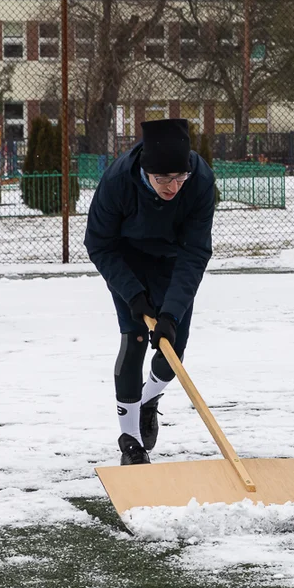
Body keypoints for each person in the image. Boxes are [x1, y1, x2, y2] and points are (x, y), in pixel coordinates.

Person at [84, 118, 216, 465]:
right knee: (135, 338)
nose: (173, 187)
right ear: (146, 171)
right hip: (125, 258)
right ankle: (130, 442)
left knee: (173, 348)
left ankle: (148, 400)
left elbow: (196, 252)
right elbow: (98, 244)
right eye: (163, 180)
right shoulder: (117, 182)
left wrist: (170, 313)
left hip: (173, 260)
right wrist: (132, 293)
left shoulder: (200, 182)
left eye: (179, 178)